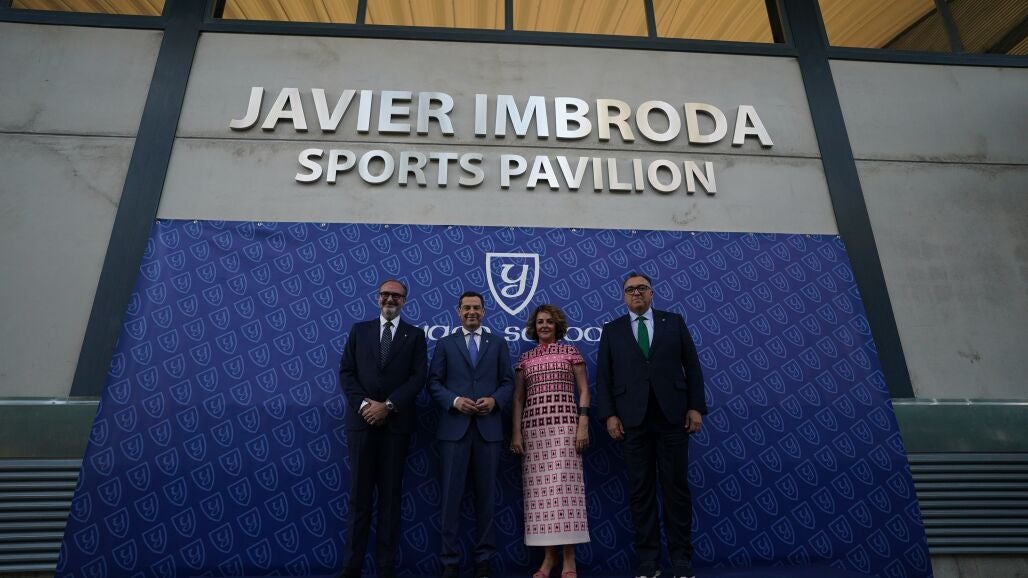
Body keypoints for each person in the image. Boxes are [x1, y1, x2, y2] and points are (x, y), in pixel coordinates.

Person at [595, 272, 707, 578]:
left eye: (642, 288)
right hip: (632, 421)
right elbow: (604, 377)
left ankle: (681, 560)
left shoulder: (674, 322)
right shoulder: (612, 330)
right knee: (640, 492)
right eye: (630, 290)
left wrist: (695, 407)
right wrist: (609, 415)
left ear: (652, 293)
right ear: (623, 296)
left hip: (673, 418)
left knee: (676, 490)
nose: (636, 293)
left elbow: (692, 366)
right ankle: (648, 561)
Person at [338, 279, 428, 578]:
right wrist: (366, 406)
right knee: (359, 499)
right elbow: (347, 373)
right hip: (362, 425)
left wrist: (388, 406)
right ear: (377, 298)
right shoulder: (359, 331)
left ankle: (386, 568)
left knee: (390, 499)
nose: (390, 299)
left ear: (405, 301)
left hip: (395, 427)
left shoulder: (415, 335)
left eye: (396, 296)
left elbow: (418, 377)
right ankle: (351, 567)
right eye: (385, 294)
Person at [428, 291, 515, 578]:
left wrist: (495, 401)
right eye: (466, 308)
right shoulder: (445, 344)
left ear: (484, 311)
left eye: (476, 307)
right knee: (450, 499)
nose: (471, 312)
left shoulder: (498, 344)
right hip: (454, 431)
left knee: (487, 499)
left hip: (488, 431)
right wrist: (454, 401)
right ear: (458, 311)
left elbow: (507, 382)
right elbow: (434, 382)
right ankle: (449, 561)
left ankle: (484, 561)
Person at [511, 304, 591, 578]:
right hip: (534, 433)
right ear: (535, 327)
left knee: (566, 493)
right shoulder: (525, 358)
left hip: (566, 430)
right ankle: (548, 558)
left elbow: (584, 391)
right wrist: (516, 432)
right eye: (540, 322)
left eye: (549, 322)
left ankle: (569, 558)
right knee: (540, 497)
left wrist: (582, 424)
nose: (544, 325)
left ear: (557, 325)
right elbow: (518, 399)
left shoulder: (571, 352)